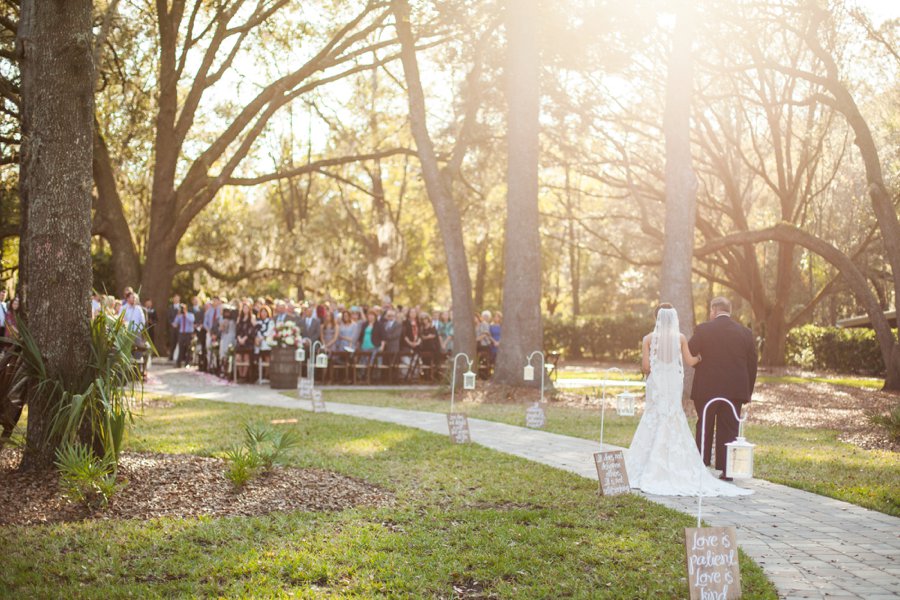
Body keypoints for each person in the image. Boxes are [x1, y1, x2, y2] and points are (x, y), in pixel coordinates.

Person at [625, 303, 751, 497]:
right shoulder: (680, 338)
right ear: (673, 318)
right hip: (674, 382)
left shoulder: (648, 339)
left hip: (658, 382)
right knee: (674, 416)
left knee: (655, 416)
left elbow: (645, 367)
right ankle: (695, 465)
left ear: (656, 318)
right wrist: (701, 358)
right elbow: (690, 361)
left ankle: (649, 463)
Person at [688, 297, 759, 480]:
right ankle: (727, 471)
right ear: (729, 311)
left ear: (713, 310)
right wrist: (747, 392)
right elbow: (752, 365)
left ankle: (701, 465)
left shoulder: (703, 329)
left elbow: (690, 350)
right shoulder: (745, 333)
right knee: (729, 429)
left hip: (707, 387)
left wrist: (699, 362)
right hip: (734, 390)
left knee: (705, 425)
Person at [235, 302, 256, 381]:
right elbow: (237, 330)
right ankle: (240, 375)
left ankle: (245, 375)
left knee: (246, 357)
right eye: (244, 308)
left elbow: (252, 330)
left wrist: (245, 338)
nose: (245, 309)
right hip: (240, 340)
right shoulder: (239, 318)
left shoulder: (252, 318)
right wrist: (239, 338)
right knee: (238, 358)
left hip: (248, 341)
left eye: (247, 308)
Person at [172, 303, 195, 368]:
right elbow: (175, 323)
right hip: (181, 333)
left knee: (188, 348)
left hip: (189, 333)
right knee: (180, 348)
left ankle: (187, 363)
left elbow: (192, 321)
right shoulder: (180, 316)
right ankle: (178, 363)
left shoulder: (190, 315)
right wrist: (178, 315)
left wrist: (185, 314)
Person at [167, 294, 181, 360]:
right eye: (175, 298)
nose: (176, 299)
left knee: (179, 341)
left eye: (177, 298)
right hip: (172, 327)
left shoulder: (182, 307)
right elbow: (168, 318)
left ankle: (179, 356)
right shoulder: (170, 307)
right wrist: (172, 324)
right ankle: (171, 356)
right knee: (172, 341)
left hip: (180, 328)